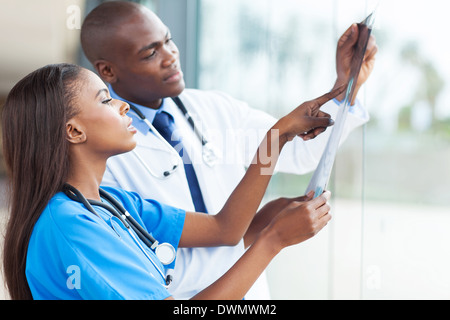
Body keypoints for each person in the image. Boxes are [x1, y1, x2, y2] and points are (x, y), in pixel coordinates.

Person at [80, 1, 378, 299]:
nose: (170, 56)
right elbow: (210, 239)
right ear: (108, 70)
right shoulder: (103, 156)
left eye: (169, 41)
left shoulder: (214, 109)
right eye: (150, 53)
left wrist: (346, 85)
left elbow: (298, 153)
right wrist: (268, 234)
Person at [1, 63, 341, 300]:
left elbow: (226, 229)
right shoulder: (72, 227)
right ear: (74, 131)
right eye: (105, 99)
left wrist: (277, 138)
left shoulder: (113, 203)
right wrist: (274, 239)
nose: (122, 106)